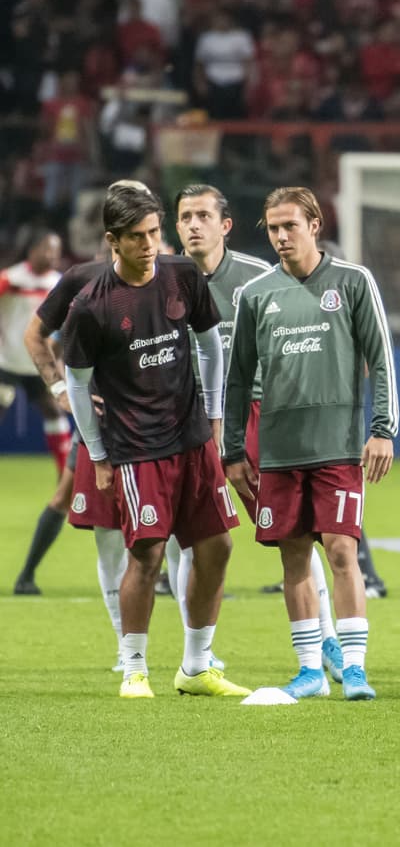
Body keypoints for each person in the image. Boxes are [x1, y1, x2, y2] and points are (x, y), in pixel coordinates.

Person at [61, 183, 249, 699]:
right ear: (112, 240)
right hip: (137, 449)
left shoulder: (182, 275)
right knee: (146, 555)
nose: (149, 245)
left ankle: (196, 666)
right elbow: (77, 385)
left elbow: (210, 345)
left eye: (154, 233)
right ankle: (134, 669)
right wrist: (98, 453)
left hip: (193, 439)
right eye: (137, 237)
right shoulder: (91, 306)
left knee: (217, 547)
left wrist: (214, 415)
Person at [223, 186, 397, 702]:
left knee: (342, 550)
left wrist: (382, 429)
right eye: (273, 228)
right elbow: (238, 379)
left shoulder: (353, 281)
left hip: (338, 446)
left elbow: (381, 358)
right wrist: (233, 451)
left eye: (290, 226)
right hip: (279, 451)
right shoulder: (256, 294)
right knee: (293, 558)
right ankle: (309, 671)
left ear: (315, 225)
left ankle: (356, 669)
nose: (280, 236)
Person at [173, 182, 346, 684]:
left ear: (225, 225)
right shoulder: (163, 282)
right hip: (183, 422)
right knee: (191, 541)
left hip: (254, 419)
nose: (193, 225)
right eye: (185, 217)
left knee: (296, 534)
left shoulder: (258, 278)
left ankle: (328, 641)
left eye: (203, 215)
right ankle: (198, 658)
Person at [23, 182, 143, 664]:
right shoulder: (82, 279)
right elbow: (38, 337)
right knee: (108, 536)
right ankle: (125, 648)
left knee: (185, 541)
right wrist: (61, 390)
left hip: (166, 429)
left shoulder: (175, 275)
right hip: (102, 430)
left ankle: (199, 655)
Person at [3, 229, 73, 594]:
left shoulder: (58, 283)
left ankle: (64, 477)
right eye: (47, 248)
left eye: (56, 250)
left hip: (36, 364)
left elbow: (61, 328)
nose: (52, 255)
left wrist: (57, 361)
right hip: (6, 362)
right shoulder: (10, 279)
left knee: (54, 413)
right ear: (31, 250)